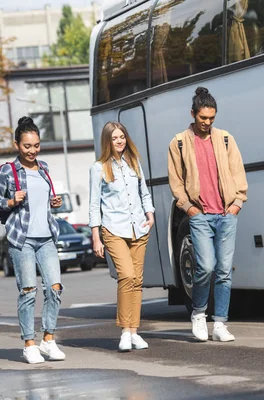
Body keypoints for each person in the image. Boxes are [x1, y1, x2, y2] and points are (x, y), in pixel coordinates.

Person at [167, 87, 248, 342]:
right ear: (192, 114)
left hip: (226, 214)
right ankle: (199, 313)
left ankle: (220, 323)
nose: (207, 123)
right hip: (199, 214)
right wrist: (188, 207)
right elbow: (176, 181)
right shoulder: (179, 142)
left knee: (224, 271)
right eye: (203, 118)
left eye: (212, 118)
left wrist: (237, 202)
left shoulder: (225, 139)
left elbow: (238, 173)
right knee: (206, 267)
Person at [0, 116, 66, 364]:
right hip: (21, 238)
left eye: (36, 145)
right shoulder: (8, 171)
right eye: (27, 146)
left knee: (54, 288)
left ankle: (48, 340)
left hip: (46, 237)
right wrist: (11, 202)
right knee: (28, 291)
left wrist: (53, 203)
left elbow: (42, 200)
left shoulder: (43, 168)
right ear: (17, 145)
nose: (32, 150)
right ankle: (29, 344)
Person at [89, 121, 155, 351]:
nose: (120, 141)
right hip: (113, 229)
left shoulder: (134, 162)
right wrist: (96, 237)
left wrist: (150, 214)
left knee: (137, 281)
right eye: (115, 138)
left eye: (122, 137)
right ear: (108, 141)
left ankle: (134, 331)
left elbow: (144, 192)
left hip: (139, 228)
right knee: (126, 275)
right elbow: (94, 204)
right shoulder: (99, 168)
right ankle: (125, 331)